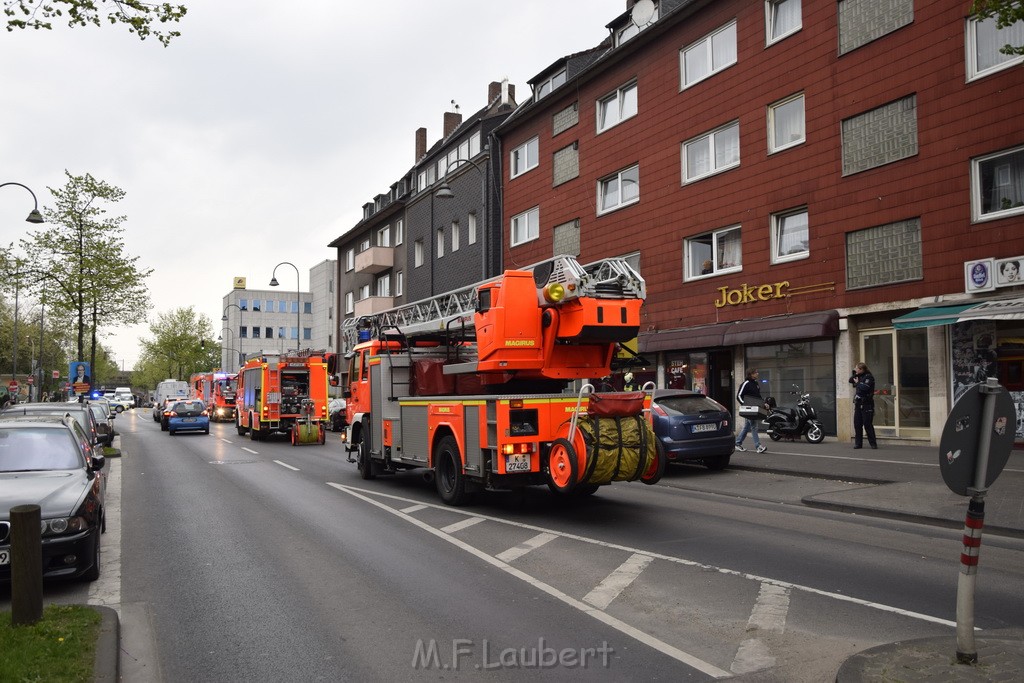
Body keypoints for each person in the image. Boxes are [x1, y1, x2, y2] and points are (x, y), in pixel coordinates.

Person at [735, 368, 767, 453]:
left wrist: (764, 404)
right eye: (756, 372)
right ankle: (758, 446)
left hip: (754, 409)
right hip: (749, 409)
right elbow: (738, 396)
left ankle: (737, 443)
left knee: (747, 427)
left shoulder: (756, 384)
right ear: (751, 374)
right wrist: (745, 405)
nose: (757, 374)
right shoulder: (746, 383)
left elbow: (757, 396)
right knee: (754, 427)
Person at [849, 362, 877, 449]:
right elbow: (850, 380)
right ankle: (858, 444)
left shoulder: (868, 377)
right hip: (858, 404)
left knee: (867, 424)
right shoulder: (859, 376)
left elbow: (865, 388)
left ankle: (873, 443)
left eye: (856, 368)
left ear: (861, 369)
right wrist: (854, 374)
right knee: (857, 424)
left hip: (867, 404)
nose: (855, 369)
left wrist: (858, 383)